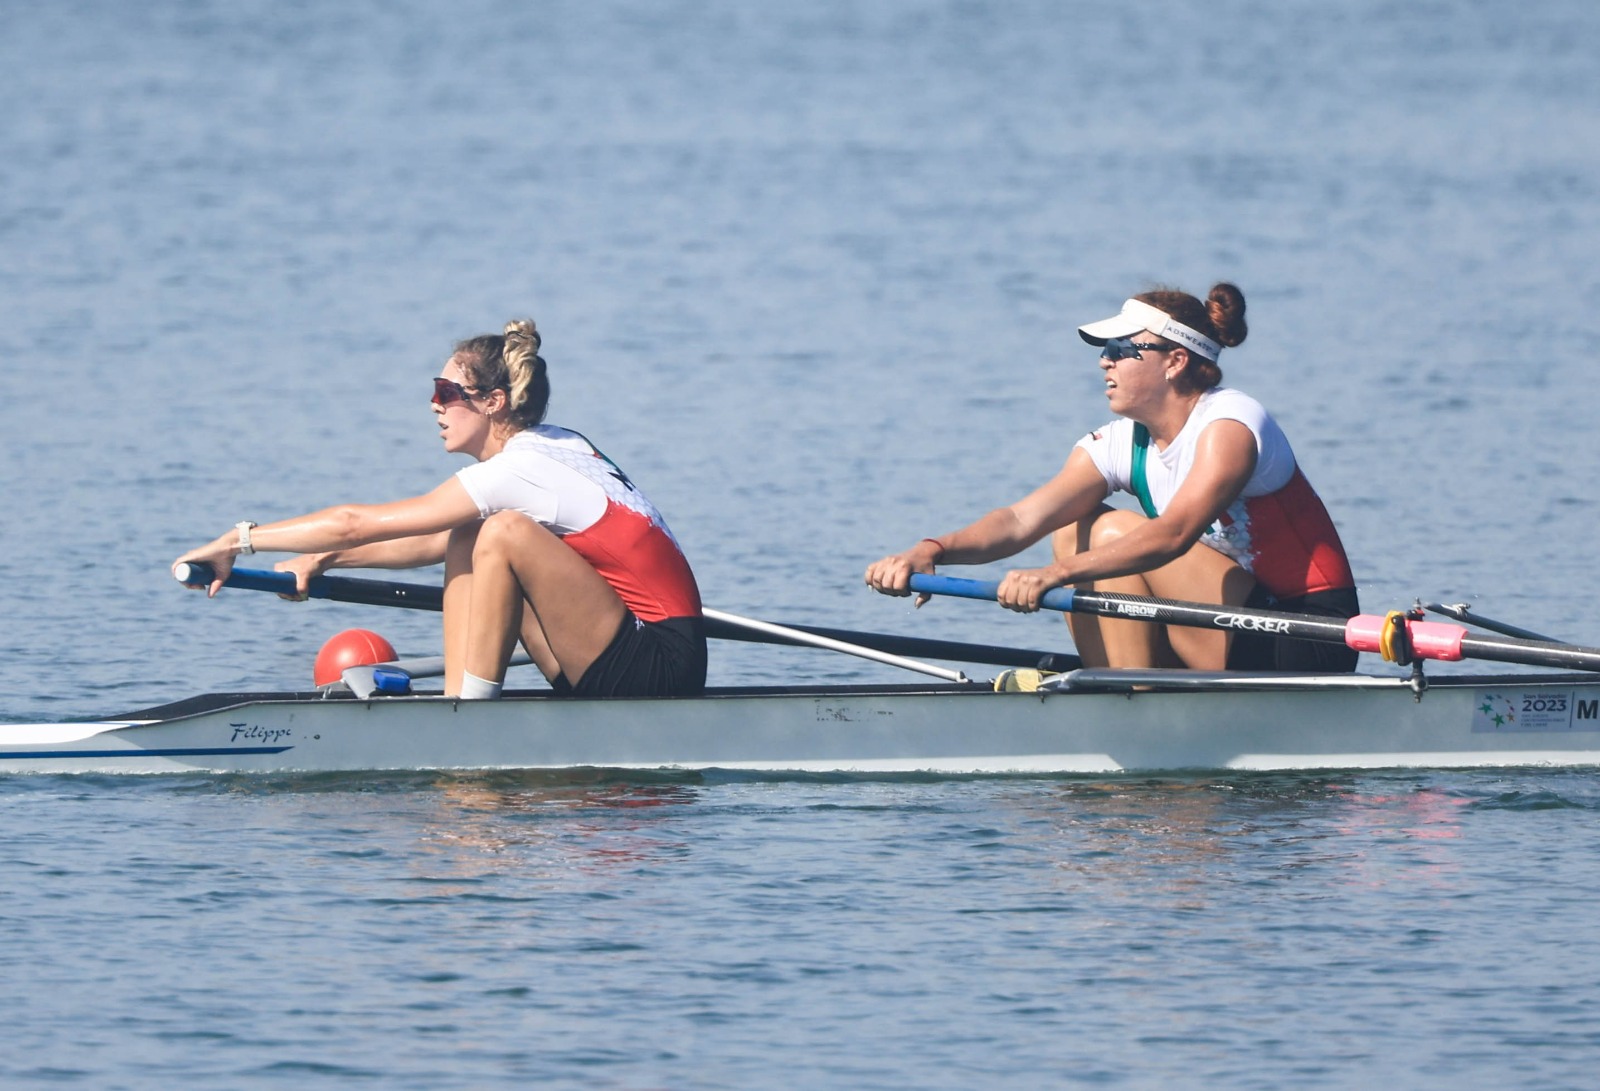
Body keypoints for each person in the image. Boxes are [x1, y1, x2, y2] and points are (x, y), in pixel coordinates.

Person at [173, 319, 706, 698]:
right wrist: (325, 559)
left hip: (659, 661)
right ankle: (463, 698)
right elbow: (433, 540)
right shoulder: (558, 443)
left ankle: (468, 716)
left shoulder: (521, 470)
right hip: (623, 646)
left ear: (493, 402)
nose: (434, 403)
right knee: (473, 532)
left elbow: (355, 522)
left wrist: (234, 542)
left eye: (446, 390)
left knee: (502, 532)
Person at [864, 283, 1359, 672]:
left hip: (1306, 638)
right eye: (1105, 349)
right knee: (1071, 526)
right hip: (1222, 628)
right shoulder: (1122, 442)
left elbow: (1174, 533)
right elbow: (1020, 520)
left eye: (1122, 348)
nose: (1105, 360)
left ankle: (1133, 702)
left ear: (1176, 361)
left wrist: (1054, 576)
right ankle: (1130, 688)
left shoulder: (1231, 424)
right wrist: (931, 549)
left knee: (1111, 532)